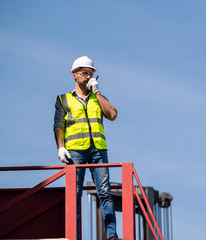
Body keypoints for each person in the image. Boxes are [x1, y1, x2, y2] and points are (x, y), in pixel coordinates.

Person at [53, 56, 118, 240]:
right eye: (84, 73)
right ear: (74, 75)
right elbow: (58, 124)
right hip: (75, 151)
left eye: (91, 73)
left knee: (105, 192)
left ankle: (112, 235)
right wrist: (60, 147)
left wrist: (97, 93)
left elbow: (112, 114)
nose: (88, 76)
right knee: (75, 193)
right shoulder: (63, 99)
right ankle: (75, 236)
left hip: (98, 149)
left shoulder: (98, 98)